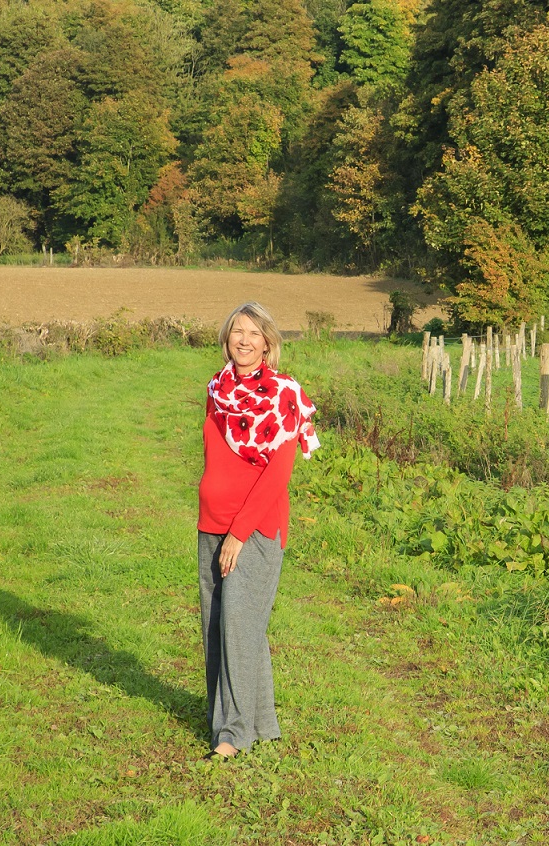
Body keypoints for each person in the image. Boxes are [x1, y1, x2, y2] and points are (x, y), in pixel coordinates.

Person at [197, 302, 319, 758]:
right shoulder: (217, 390)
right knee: (218, 628)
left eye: (253, 333)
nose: (243, 340)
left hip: (255, 528)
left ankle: (231, 735)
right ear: (227, 339)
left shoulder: (284, 394)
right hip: (210, 522)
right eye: (236, 332)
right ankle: (257, 722)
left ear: (268, 341)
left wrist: (238, 532)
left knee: (240, 626)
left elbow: (277, 475)